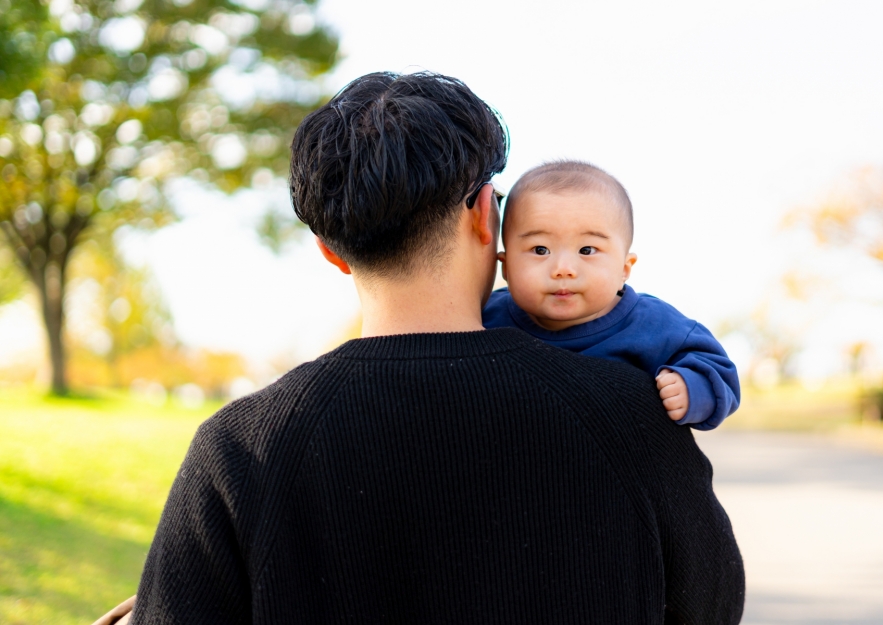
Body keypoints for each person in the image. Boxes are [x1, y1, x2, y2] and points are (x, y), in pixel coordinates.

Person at [115, 71, 744, 624]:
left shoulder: (238, 448)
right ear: (484, 216)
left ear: (331, 251)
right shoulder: (635, 414)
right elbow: (712, 607)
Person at [484, 161, 740, 431]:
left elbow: (720, 371)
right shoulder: (486, 316)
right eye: (540, 250)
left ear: (624, 268)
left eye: (586, 250)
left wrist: (692, 388)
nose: (563, 269)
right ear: (506, 266)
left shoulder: (654, 325)